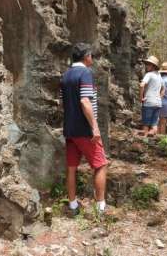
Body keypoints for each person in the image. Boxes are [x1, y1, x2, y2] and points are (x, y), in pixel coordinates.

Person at [60, 43, 108, 217]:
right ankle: (101, 207)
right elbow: (85, 101)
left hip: (70, 129)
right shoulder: (85, 73)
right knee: (101, 165)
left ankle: (73, 206)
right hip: (84, 130)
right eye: (91, 55)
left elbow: (63, 103)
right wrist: (94, 128)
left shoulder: (66, 75)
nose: (92, 59)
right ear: (87, 56)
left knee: (72, 167)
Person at [140, 56, 164, 136]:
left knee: (146, 124)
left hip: (149, 102)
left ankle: (145, 138)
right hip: (158, 103)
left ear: (153, 66)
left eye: (148, 64)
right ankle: (152, 132)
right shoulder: (159, 76)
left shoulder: (149, 74)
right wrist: (159, 97)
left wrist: (141, 98)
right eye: (146, 64)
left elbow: (142, 85)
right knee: (154, 124)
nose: (146, 66)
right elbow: (164, 89)